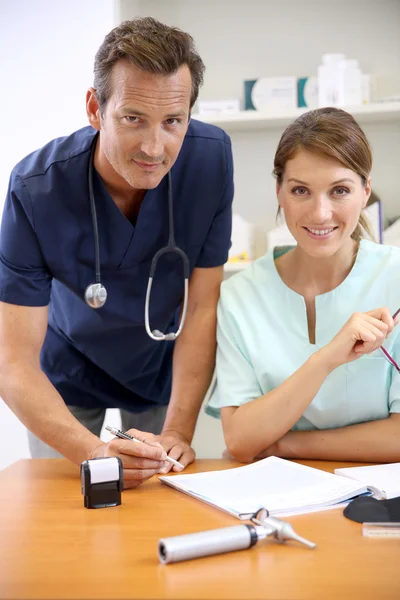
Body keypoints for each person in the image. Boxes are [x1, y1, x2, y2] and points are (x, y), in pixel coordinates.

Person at [0, 17, 233, 487]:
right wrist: (95, 452)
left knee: (160, 507)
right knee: (65, 518)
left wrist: (178, 430)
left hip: (157, 366)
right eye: (132, 118)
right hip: (64, 373)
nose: (154, 147)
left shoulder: (209, 161)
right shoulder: (36, 190)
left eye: (173, 121)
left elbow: (203, 306)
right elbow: (12, 361)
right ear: (94, 108)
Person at [207, 107, 400, 464]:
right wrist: (326, 359)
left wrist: (285, 445)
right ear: (279, 191)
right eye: (301, 190)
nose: (320, 213)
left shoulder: (396, 278)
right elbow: (241, 438)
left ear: (365, 190)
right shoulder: (241, 295)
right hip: (276, 499)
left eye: (339, 190)